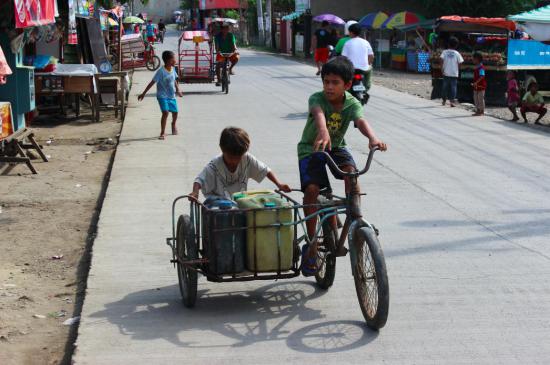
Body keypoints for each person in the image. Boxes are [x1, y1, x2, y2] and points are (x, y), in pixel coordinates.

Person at [297, 56, 387, 276]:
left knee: (352, 175)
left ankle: (354, 216)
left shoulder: (352, 103)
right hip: (312, 148)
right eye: (326, 81)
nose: (328, 86)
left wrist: (373, 138)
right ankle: (312, 244)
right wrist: (324, 131)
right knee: (312, 190)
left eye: (334, 82)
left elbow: (360, 121)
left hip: (336, 147)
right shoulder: (316, 98)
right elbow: (318, 115)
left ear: (347, 85)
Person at [190, 127, 291, 201]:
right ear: (222, 149)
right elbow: (199, 180)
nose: (235, 161)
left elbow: (265, 170)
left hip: (239, 202)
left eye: (238, 157)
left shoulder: (247, 159)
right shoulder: (215, 165)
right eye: (231, 157)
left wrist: (279, 184)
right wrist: (195, 192)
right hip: (217, 205)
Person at [138, 51, 183, 140]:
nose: (175, 60)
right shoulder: (161, 72)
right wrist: (143, 93)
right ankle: (162, 132)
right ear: (169, 60)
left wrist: (178, 89)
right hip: (162, 96)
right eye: (174, 58)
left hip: (171, 95)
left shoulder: (173, 69)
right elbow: (152, 82)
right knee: (165, 112)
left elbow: (174, 80)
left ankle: (173, 124)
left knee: (175, 112)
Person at [342, 23, 374, 94]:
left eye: (349, 32)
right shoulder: (366, 42)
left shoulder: (347, 43)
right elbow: (371, 56)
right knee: (370, 68)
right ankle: (366, 87)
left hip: (351, 69)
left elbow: (343, 58)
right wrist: (368, 64)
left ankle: (347, 91)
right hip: (364, 69)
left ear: (351, 32)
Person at [440, 37, 463, 107]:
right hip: (454, 73)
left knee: (445, 87)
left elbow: (441, 59)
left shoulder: (444, 52)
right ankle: (452, 102)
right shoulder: (457, 53)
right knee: (453, 87)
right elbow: (460, 62)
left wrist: (442, 68)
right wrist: (458, 69)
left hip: (446, 72)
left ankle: (444, 100)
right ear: (456, 45)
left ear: (448, 44)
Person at [471, 52, 486, 116]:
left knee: (480, 98)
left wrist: (476, 82)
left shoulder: (481, 67)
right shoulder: (477, 67)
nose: (473, 60)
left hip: (481, 85)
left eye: (474, 59)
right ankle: (477, 110)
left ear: (477, 59)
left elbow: (482, 76)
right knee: (476, 98)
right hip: (476, 86)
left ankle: (481, 111)